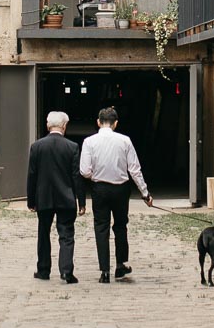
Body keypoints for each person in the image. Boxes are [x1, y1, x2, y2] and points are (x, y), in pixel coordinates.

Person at [78, 105, 152, 283]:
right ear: (115, 123)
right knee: (120, 226)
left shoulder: (89, 142)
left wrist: (96, 172)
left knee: (101, 227)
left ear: (98, 122)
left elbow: (84, 171)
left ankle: (104, 271)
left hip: (99, 189)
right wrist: (145, 193)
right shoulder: (125, 141)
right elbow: (134, 169)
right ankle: (120, 265)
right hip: (120, 189)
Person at [25, 110, 83, 283]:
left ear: (48, 125)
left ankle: (43, 269)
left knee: (43, 233)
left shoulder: (37, 146)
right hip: (66, 198)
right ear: (64, 126)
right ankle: (66, 271)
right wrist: (81, 201)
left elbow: (32, 175)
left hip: (43, 197)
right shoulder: (72, 147)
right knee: (66, 235)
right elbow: (76, 176)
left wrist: (31, 200)